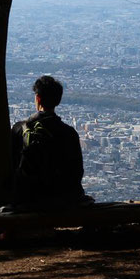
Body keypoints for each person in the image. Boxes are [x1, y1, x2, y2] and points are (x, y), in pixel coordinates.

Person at [8, 75, 88, 210]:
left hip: (27, 200)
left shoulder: (20, 130)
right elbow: (77, 172)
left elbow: (11, 165)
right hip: (62, 200)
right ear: (58, 100)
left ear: (38, 98)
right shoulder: (69, 133)